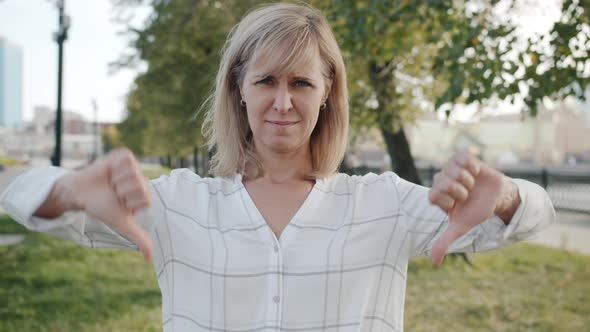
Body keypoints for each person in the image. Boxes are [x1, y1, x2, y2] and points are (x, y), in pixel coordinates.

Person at [0, 3, 554, 332]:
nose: (283, 102)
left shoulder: (383, 204)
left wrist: (504, 196)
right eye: (266, 81)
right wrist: (70, 188)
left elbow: (533, 215)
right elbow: (23, 199)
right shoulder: (176, 203)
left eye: (301, 83)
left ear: (327, 92)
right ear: (238, 88)